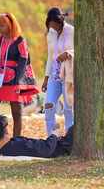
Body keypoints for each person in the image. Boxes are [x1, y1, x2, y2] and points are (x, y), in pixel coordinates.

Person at [0, 13, 39, 138]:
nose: (0, 28)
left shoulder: (20, 40)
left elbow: (24, 59)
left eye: (2, 26)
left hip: (14, 80)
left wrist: (18, 80)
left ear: (10, 25)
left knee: (17, 114)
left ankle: (16, 141)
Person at [0, 113, 104, 159]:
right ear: (6, 130)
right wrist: (54, 134)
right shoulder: (15, 146)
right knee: (81, 127)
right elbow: (45, 150)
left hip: (59, 145)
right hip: (60, 148)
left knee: (77, 128)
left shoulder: (3, 148)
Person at [42, 7, 74, 136]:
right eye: (50, 26)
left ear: (60, 21)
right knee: (49, 105)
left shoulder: (72, 31)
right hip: (54, 76)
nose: (53, 29)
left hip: (68, 75)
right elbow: (50, 57)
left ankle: (70, 137)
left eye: (54, 25)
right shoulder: (50, 34)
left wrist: (68, 53)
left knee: (68, 108)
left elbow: (80, 50)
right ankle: (52, 136)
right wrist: (46, 78)